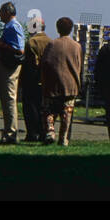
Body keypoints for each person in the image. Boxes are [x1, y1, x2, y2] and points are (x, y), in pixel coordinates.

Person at [39, 17, 82, 146]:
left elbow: (45, 63)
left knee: (48, 110)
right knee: (66, 113)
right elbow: (79, 65)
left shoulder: (52, 44)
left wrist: (43, 80)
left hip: (53, 84)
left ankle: (50, 131)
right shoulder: (77, 46)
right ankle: (63, 139)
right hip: (71, 84)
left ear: (58, 28)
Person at [0, 2, 24, 144]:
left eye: (1, 12)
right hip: (7, 66)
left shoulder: (13, 26)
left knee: (9, 99)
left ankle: (11, 133)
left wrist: (1, 45)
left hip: (9, 67)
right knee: (6, 100)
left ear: (7, 12)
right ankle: (8, 131)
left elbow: (19, 49)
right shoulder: (10, 26)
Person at [20, 11, 50, 143]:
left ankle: (32, 133)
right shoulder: (50, 41)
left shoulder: (31, 42)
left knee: (30, 107)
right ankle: (44, 131)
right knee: (43, 107)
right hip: (46, 80)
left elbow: (30, 63)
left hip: (32, 79)